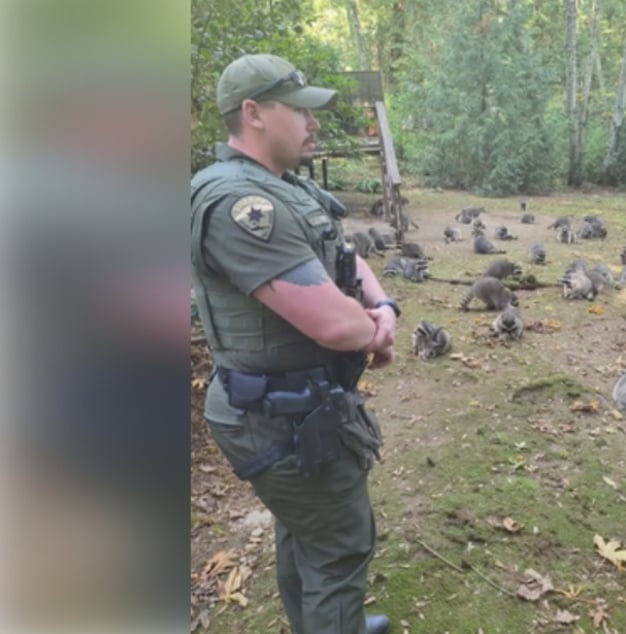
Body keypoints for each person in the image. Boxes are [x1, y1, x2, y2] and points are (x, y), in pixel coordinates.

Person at [190, 53, 399, 634]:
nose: (315, 123)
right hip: (274, 413)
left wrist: (381, 306)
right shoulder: (240, 206)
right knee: (339, 544)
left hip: (300, 403)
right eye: (301, 111)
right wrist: (371, 328)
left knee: (306, 528)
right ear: (253, 113)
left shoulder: (283, 186)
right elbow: (334, 325)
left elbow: (346, 255)